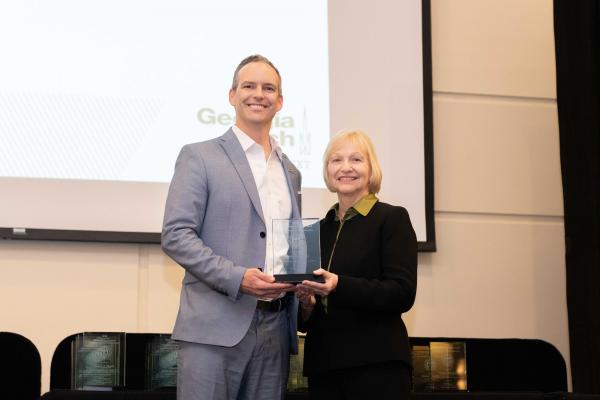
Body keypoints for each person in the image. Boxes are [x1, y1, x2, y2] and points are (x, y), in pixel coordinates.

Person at [161, 54, 301, 400]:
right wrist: (238, 277)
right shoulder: (199, 156)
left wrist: (302, 282)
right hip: (214, 328)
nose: (259, 94)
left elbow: (289, 246)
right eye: (248, 86)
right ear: (232, 95)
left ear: (280, 101)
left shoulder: (291, 171)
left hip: (276, 330)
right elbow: (176, 235)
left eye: (269, 88)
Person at [295, 130, 418, 400]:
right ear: (327, 171)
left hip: (377, 366)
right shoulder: (313, 232)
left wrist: (339, 285)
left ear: (371, 169)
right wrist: (306, 305)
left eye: (356, 160)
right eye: (336, 160)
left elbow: (402, 293)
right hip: (323, 368)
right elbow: (304, 321)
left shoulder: (392, 218)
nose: (346, 167)